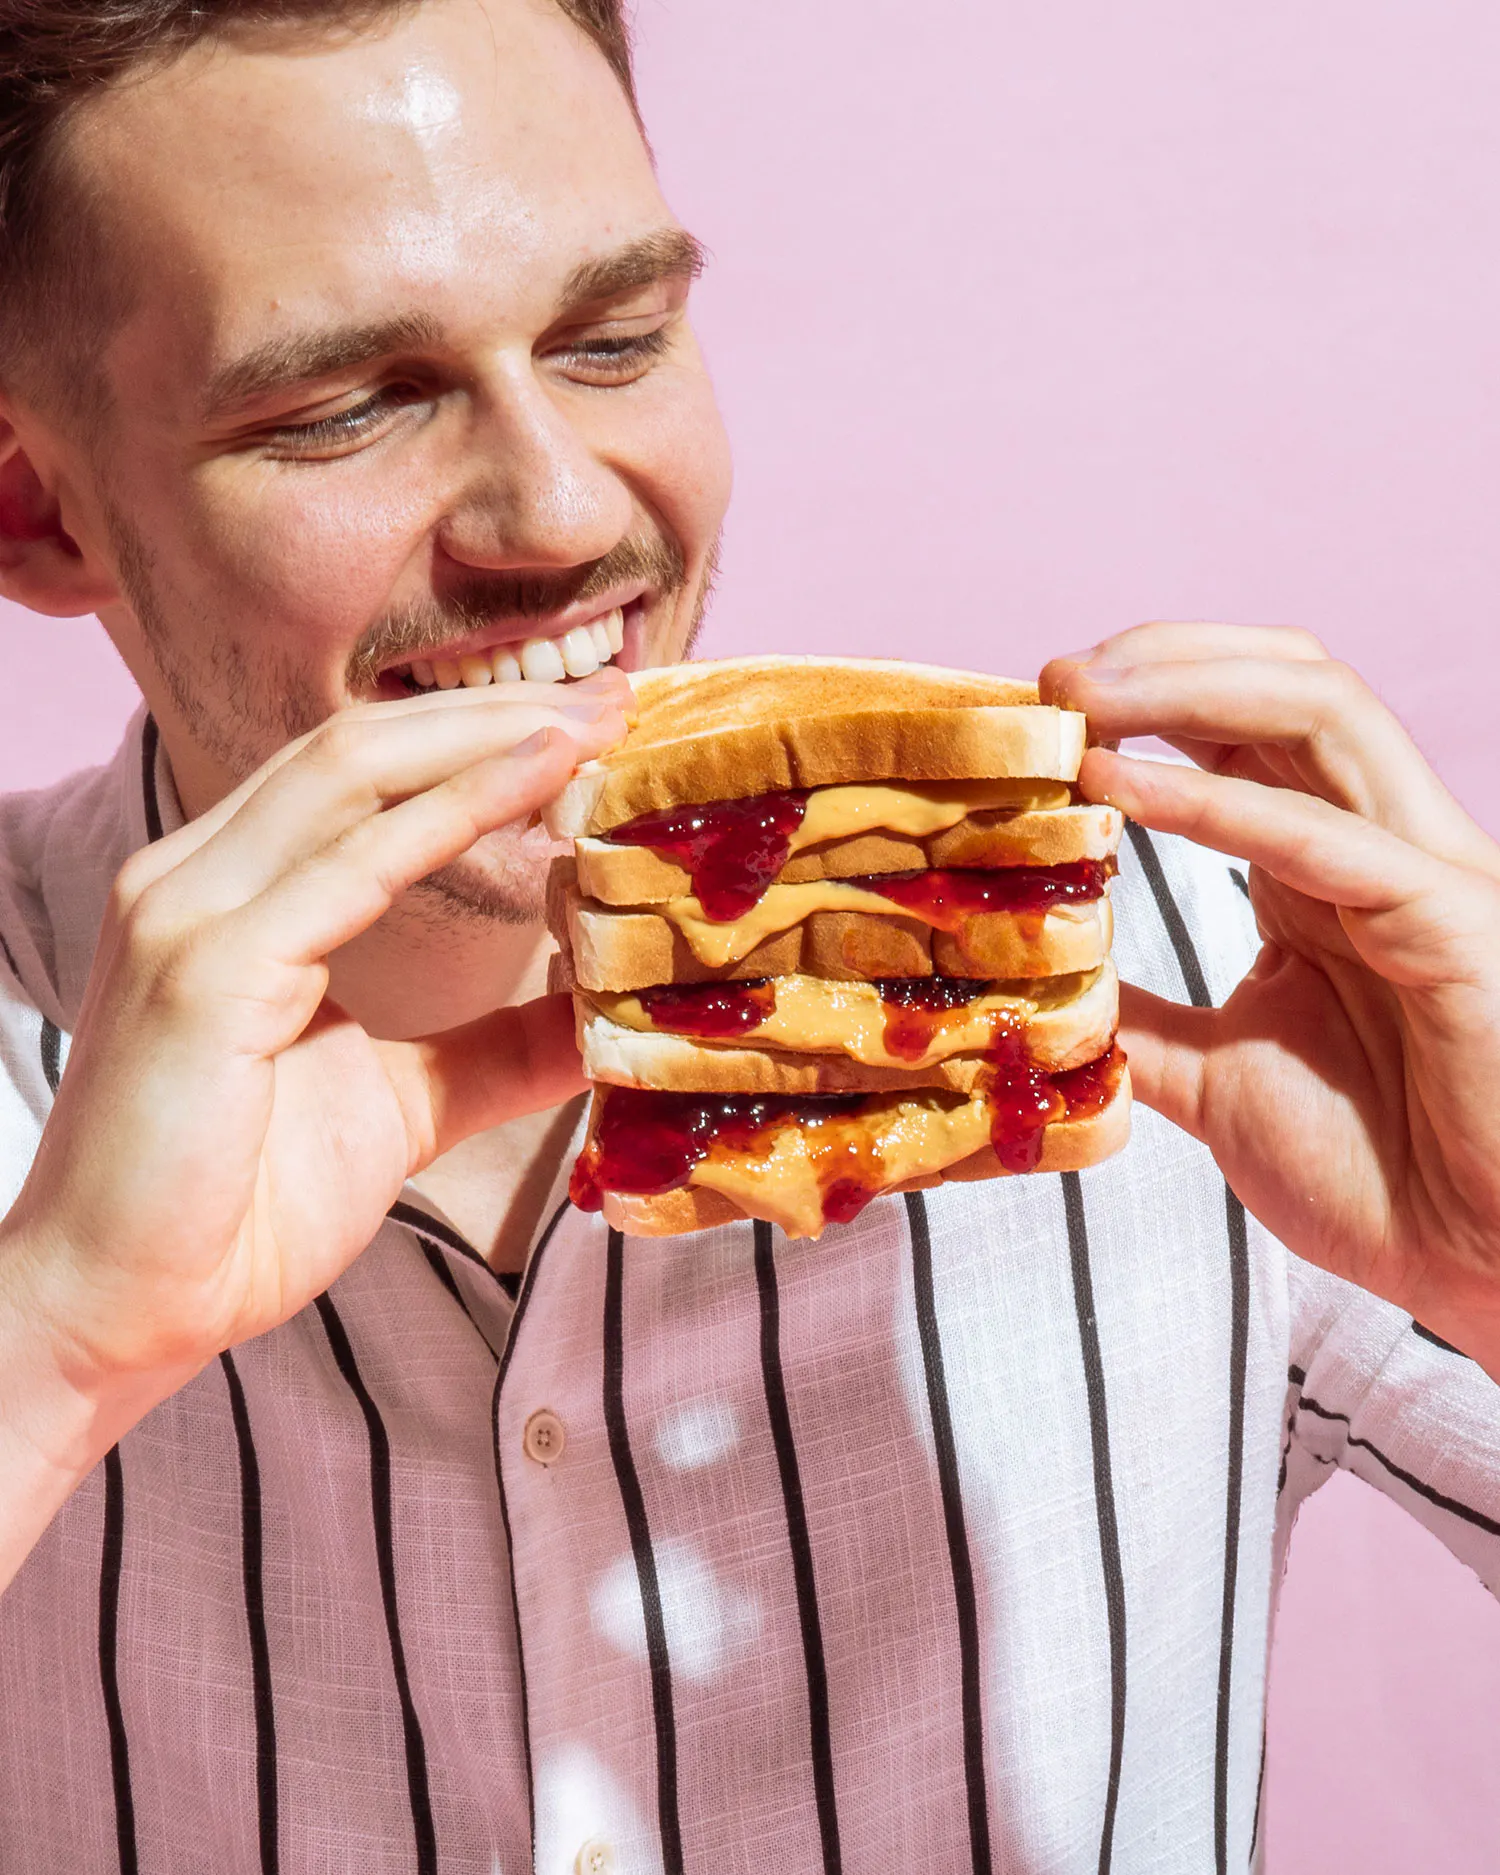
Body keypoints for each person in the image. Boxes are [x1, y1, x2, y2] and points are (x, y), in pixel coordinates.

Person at [0, 0, 1496, 1868]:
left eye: (614, 339)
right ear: (33, 504)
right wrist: (48, 1346)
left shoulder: (1221, 984)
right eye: (348, 408)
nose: (558, 515)